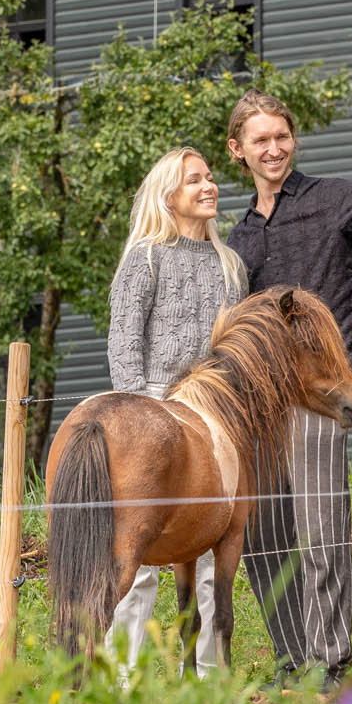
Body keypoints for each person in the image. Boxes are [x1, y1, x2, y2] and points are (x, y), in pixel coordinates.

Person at [223, 89, 352, 689]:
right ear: (238, 151)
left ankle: (330, 660)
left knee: (322, 527)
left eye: (282, 136)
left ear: (293, 139)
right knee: (264, 535)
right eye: (260, 140)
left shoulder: (335, 200)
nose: (273, 148)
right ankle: (291, 657)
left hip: (325, 391)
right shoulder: (238, 239)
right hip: (260, 402)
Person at [105, 145, 250, 672]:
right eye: (195, 180)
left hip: (214, 423)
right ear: (169, 196)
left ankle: (210, 680)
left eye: (210, 178)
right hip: (153, 414)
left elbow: (235, 350)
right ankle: (118, 680)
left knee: (215, 548)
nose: (209, 186)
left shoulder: (231, 266)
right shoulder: (143, 257)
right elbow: (124, 347)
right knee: (135, 557)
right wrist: (148, 421)